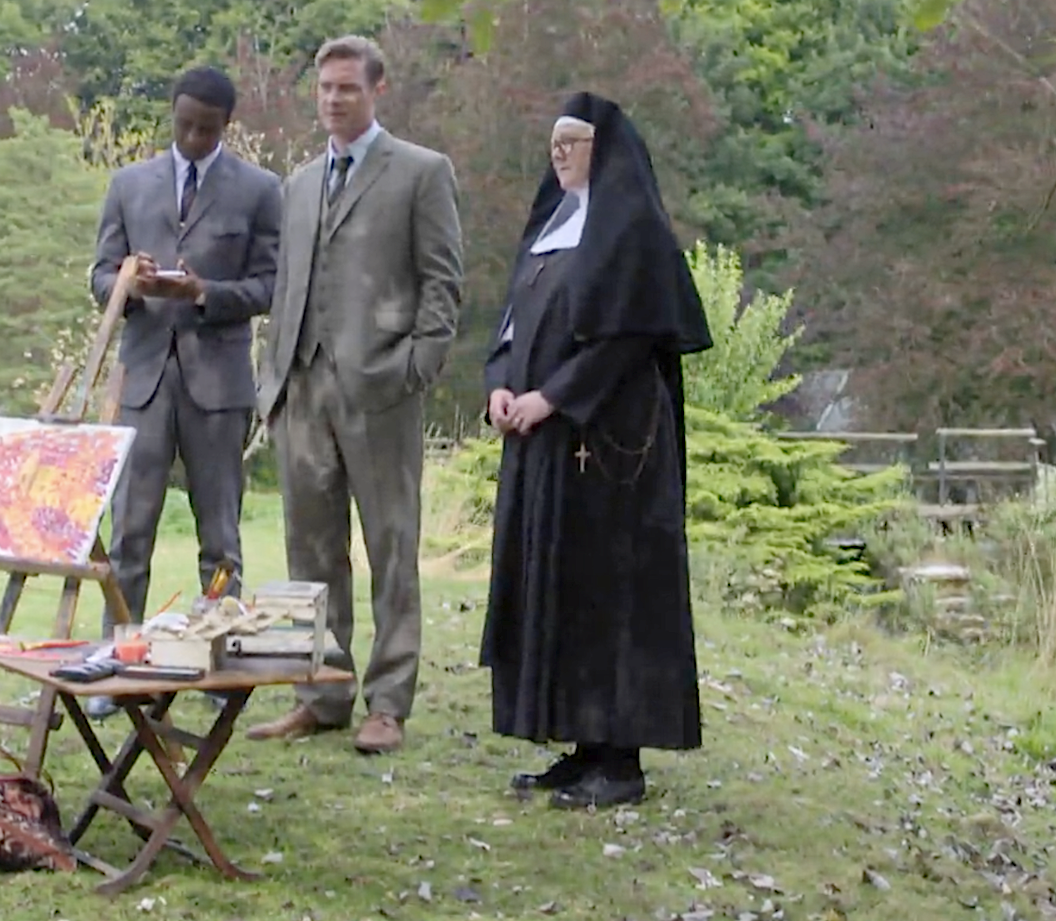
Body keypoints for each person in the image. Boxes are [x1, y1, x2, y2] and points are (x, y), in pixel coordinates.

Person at [480, 92, 713, 809]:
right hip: (546, 446)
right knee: (560, 588)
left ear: (604, 149)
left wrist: (552, 397)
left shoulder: (632, 230)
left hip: (612, 452)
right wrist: (500, 386)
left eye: (573, 141)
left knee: (610, 596)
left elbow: (628, 339)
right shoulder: (550, 227)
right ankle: (580, 747)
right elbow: (513, 327)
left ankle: (621, 760)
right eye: (554, 141)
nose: (560, 152)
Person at [250, 35, 463, 754]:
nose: (333, 99)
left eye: (347, 87)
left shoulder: (422, 173)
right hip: (300, 389)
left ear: (378, 90)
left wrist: (415, 368)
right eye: (324, 88)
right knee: (310, 553)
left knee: (391, 548)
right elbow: (287, 287)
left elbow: (443, 284)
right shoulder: (300, 182)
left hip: (380, 390)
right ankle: (322, 692)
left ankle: (389, 703)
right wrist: (271, 380)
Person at [89, 66, 282, 718]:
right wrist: (129, 283)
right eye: (185, 124)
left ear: (227, 125)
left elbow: (270, 286)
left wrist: (204, 293)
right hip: (143, 379)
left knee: (221, 534)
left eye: (207, 128)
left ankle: (222, 659)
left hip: (218, 383)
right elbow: (98, 276)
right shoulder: (129, 184)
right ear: (171, 114)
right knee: (129, 534)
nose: (194, 137)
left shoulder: (259, 190)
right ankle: (121, 659)